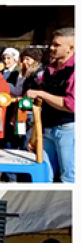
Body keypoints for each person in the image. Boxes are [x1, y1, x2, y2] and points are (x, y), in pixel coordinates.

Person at [25, 27, 74, 183]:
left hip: (68, 129)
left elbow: (71, 105)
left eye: (57, 45)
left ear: (70, 49)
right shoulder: (50, 70)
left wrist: (41, 94)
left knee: (69, 176)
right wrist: (34, 135)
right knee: (43, 174)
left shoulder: (74, 70)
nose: (51, 48)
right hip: (46, 128)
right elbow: (40, 105)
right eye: (52, 44)